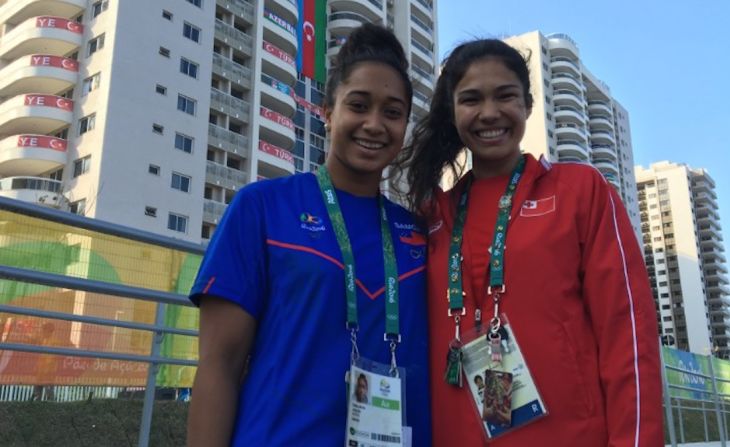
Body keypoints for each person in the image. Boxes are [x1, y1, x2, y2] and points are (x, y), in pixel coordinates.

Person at [402, 39, 663, 446]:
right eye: (471, 99)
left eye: (505, 96)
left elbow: (627, 332)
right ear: (452, 114)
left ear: (527, 103)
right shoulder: (433, 216)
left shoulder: (581, 191)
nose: (489, 113)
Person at [187, 23, 430, 447]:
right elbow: (219, 365)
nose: (374, 124)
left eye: (392, 112)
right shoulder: (261, 208)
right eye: (359, 105)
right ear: (327, 111)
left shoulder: (419, 234)